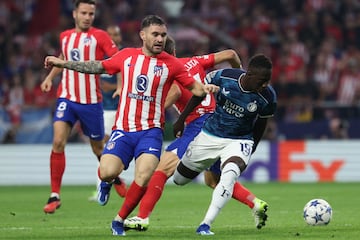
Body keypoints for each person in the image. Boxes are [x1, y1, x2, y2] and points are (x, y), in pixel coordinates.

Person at [44, 15, 217, 236]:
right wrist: (62, 63)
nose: (160, 39)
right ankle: (107, 182)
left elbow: (197, 90)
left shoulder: (172, 64)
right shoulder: (126, 57)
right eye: (155, 34)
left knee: (144, 175)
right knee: (107, 172)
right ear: (142, 35)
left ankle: (119, 220)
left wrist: (208, 88)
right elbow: (97, 66)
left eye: (163, 35)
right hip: (124, 131)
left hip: (151, 131)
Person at [124, 36, 268, 232]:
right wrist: (241, 75)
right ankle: (255, 203)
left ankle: (142, 217)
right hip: (216, 121)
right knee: (213, 180)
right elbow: (230, 54)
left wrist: (153, 111)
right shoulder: (195, 61)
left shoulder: (167, 71)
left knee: (162, 169)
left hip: (198, 124)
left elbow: (174, 93)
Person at [172, 54, 276, 235]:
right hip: (210, 135)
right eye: (262, 80)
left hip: (239, 140)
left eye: (267, 80)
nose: (265, 85)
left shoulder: (267, 97)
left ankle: (205, 224)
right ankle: (252, 201)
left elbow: (261, 124)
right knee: (179, 180)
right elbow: (199, 94)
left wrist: (252, 148)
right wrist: (181, 120)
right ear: (249, 74)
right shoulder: (223, 77)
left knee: (228, 176)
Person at [40, 0, 119, 214]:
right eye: (83, 13)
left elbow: (117, 60)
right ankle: (54, 195)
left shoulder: (100, 36)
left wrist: (120, 84)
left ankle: (114, 178)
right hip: (67, 97)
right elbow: (65, 58)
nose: (87, 17)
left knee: (98, 149)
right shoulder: (65, 36)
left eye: (91, 14)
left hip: (91, 102)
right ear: (75, 14)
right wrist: (50, 77)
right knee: (58, 141)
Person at [88, 25, 127, 202]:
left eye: (115, 35)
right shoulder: (99, 58)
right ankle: (108, 182)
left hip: (118, 110)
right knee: (102, 148)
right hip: (100, 109)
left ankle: (108, 182)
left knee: (109, 147)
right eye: (109, 35)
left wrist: (113, 87)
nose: (112, 38)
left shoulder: (125, 58)